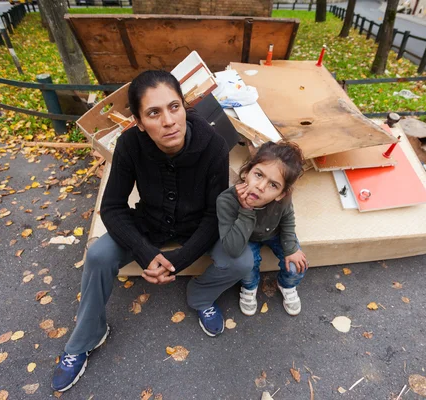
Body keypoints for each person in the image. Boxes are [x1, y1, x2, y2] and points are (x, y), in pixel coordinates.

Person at [51, 70, 229, 392]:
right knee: (99, 254)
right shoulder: (130, 144)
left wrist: (178, 260)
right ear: (138, 121)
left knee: (240, 259)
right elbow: (113, 207)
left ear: (185, 106)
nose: (169, 121)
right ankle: (87, 337)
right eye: (153, 113)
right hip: (151, 223)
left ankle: (202, 297)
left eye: (174, 107)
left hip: (197, 228)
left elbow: (216, 215)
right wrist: (147, 253)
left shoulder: (214, 146)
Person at [202, 141, 308, 321]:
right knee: (247, 266)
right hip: (246, 237)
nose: (261, 186)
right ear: (246, 173)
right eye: (258, 175)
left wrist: (291, 248)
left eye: (273, 185)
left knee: (297, 266)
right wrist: (246, 210)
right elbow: (233, 249)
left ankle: (286, 285)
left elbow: (288, 218)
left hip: (273, 233)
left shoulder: (282, 201)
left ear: (282, 194)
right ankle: (250, 287)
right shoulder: (227, 200)